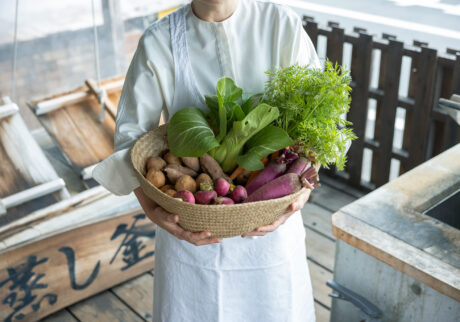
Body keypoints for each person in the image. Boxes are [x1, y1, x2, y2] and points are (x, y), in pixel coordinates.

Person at [93, 0, 321, 320]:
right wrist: (155, 213)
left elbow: (319, 127)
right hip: (190, 232)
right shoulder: (158, 40)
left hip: (272, 229)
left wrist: (301, 195)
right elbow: (131, 141)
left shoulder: (280, 24)